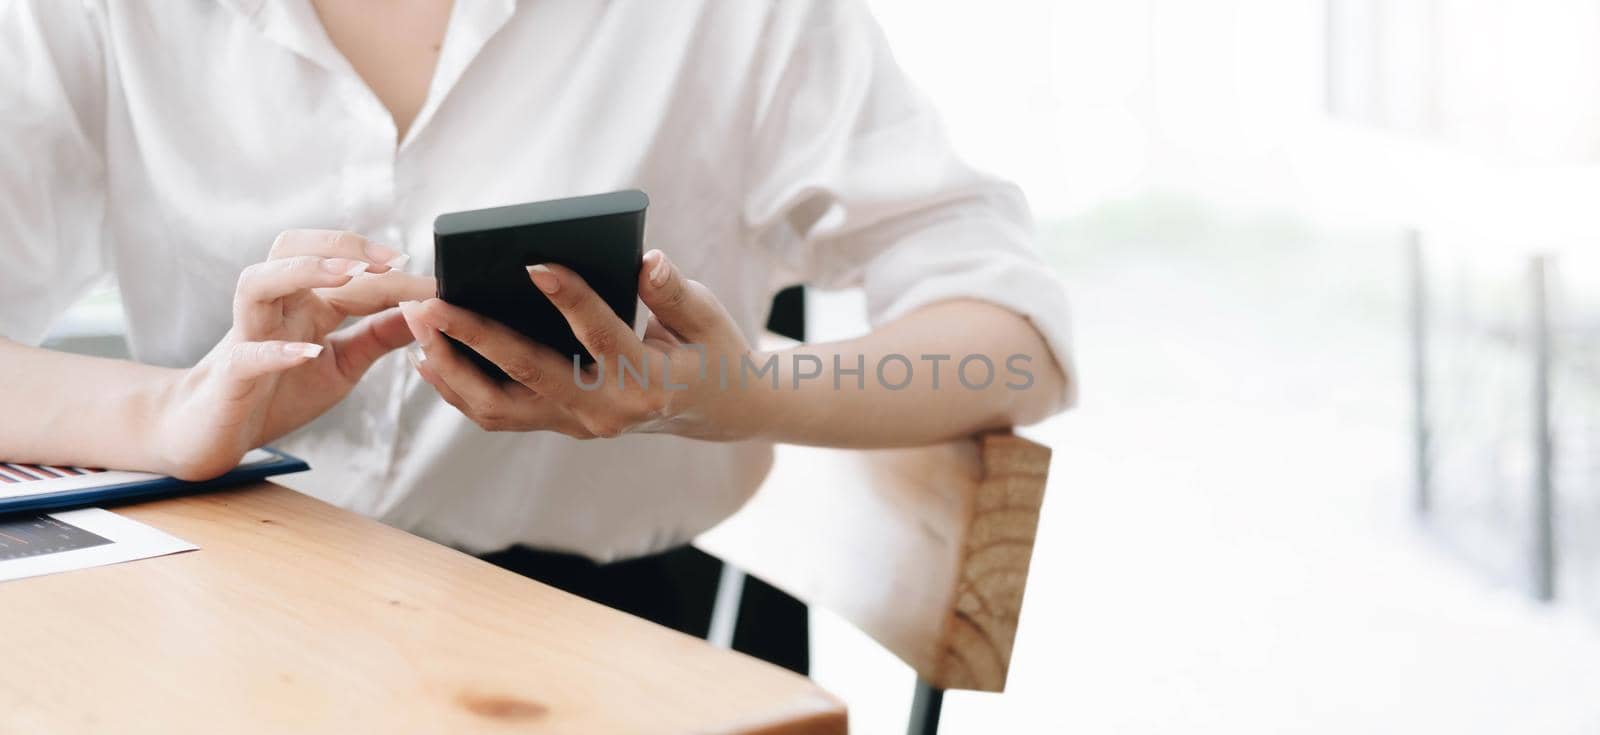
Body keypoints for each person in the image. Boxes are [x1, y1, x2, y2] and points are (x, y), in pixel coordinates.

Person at [0, 0, 1075, 670]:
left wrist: (737, 395)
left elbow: (1013, 341)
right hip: (226, 601)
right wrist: (172, 412)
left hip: (625, 642)